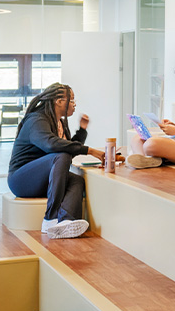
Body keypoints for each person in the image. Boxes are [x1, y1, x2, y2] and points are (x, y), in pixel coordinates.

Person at [6, 83, 105, 239]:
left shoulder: (58, 122)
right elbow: (51, 145)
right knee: (61, 155)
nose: (75, 104)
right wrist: (90, 150)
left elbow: (66, 154)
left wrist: (81, 131)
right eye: (71, 100)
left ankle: (66, 222)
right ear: (59, 101)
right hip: (21, 180)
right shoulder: (36, 119)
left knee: (77, 181)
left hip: (42, 178)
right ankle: (50, 219)